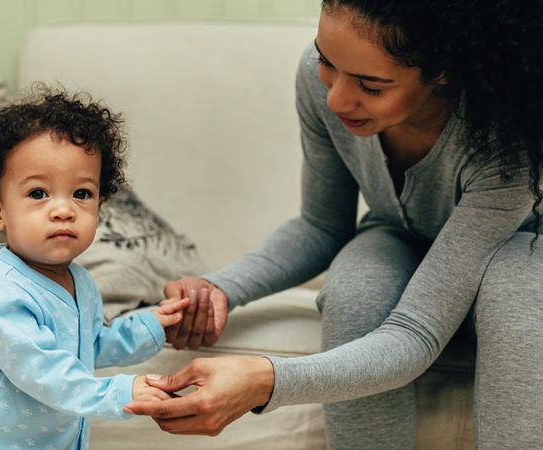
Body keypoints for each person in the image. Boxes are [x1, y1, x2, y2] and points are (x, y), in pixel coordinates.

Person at [124, 1, 543, 448]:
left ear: (444, 72)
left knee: (515, 282)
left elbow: (414, 335)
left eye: (371, 85)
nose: (336, 98)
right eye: (327, 61)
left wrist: (265, 379)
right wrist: (218, 288)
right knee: (358, 284)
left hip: (516, 256)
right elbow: (322, 226)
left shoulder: (508, 145)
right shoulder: (316, 78)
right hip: (401, 237)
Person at [0, 88, 189, 450]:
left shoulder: (78, 281)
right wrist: (120, 391)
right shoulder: (2, 294)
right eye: (39, 193)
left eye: (81, 194)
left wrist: (154, 325)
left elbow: (88, 345)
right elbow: (44, 372)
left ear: (100, 206)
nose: (63, 210)